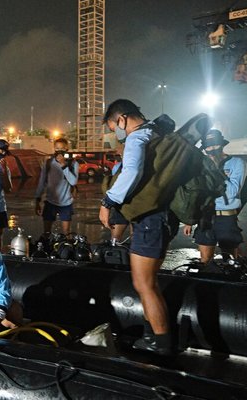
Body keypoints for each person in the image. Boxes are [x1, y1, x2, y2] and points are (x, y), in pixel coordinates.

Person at [99, 99, 175, 356]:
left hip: (150, 220)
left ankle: (161, 343)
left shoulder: (136, 138)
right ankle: (151, 334)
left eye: (113, 127)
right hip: (163, 217)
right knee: (148, 282)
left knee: (144, 284)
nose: (114, 133)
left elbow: (130, 172)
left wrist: (107, 201)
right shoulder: (157, 133)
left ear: (121, 119)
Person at [183, 130, 246, 263]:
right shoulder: (201, 165)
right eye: (208, 147)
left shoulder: (237, 163)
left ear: (221, 145)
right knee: (205, 259)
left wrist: (215, 169)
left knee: (229, 260)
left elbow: (232, 192)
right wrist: (189, 219)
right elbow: (195, 192)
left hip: (226, 217)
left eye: (214, 146)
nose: (211, 149)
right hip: (205, 217)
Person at [34, 137, 79, 236]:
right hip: (50, 202)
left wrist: (63, 165)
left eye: (62, 149)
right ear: (54, 149)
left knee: (66, 232)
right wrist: (37, 200)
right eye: (57, 148)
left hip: (66, 203)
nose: (59, 151)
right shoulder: (49, 163)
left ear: (67, 149)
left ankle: (66, 249)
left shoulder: (73, 163)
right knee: (46, 232)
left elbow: (73, 182)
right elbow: (42, 182)